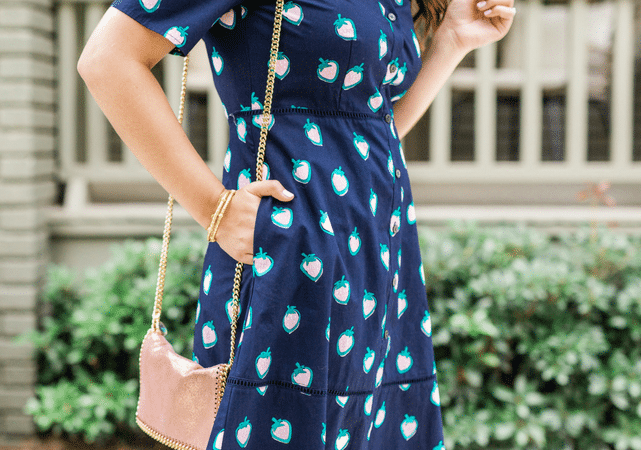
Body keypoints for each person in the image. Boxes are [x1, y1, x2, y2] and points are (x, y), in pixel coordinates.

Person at [78, 0, 515, 448]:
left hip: (380, 265)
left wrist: (452, 42)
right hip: (289, 261)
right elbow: (109, 59)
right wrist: (215, 208)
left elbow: (367, 129)